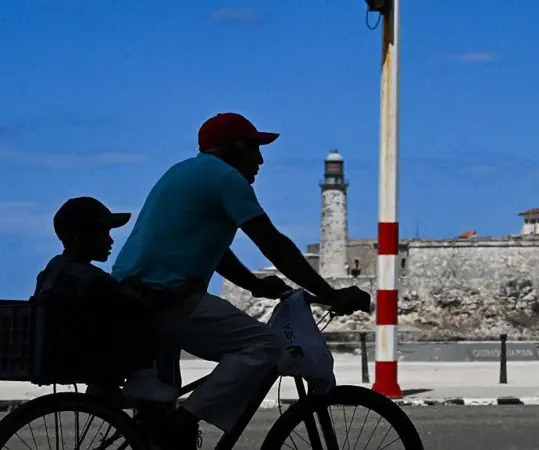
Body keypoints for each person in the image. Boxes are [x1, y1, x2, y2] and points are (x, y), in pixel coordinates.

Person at [111, 112, 371, 449]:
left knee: (158, 414)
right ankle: (185, 421)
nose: (260, 160)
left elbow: (213, 250)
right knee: (264, 346)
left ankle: (168, 428)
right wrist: (331, 294)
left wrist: (254, 285)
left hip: (135, 296)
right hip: (166, 298)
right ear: (236, 146)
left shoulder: (184, 172)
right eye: (255, 148)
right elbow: (272, 242)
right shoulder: (226, 178)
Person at [31, 197, 169, 395]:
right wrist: (177, 292)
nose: (110, 240)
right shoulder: (88, 278)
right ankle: (146, 386)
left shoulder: (54, 269)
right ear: (80, 236)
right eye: (104, 233)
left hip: (69, 352)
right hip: (94, 355)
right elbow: (137, 304)